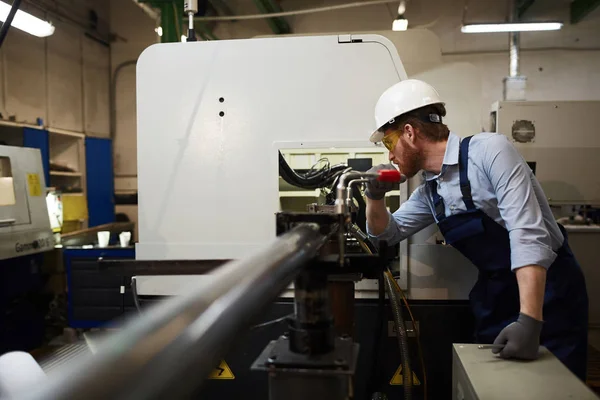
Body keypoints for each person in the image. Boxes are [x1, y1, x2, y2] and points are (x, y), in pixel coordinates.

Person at [364, 79, 589, 381]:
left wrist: (531, 320)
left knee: (555, 386)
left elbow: (528, 234)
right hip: (497, 296)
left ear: (409, 133)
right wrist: (374, 197)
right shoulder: (430, 192)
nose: (389, 155)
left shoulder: (490, 151)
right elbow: (385, 234)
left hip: (549, 293)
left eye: (389, 143)